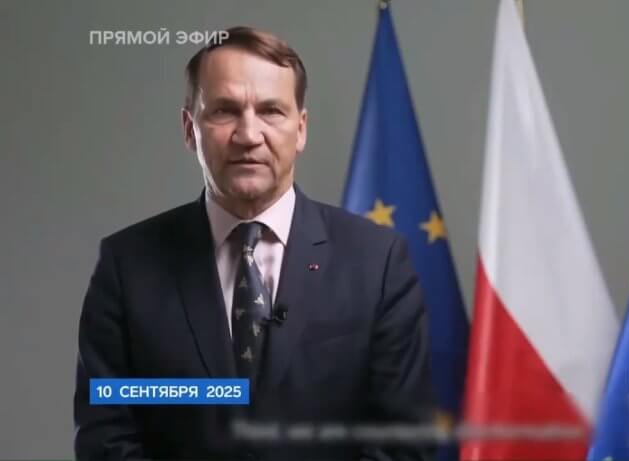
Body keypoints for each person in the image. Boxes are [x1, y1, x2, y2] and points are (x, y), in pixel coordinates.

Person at [74, 26, 435, 461]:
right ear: (190, 129)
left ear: (300, 129)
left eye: (271, 111)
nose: (248, 134)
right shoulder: (126, 266)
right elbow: (106, 437)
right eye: (224, 111)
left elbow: (403, 442)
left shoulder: (378, 263)